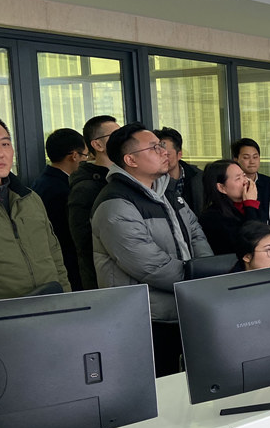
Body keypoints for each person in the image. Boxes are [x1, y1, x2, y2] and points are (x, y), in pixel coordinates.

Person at [90, 122, 212, 375]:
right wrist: (196, 278)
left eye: (162, 146)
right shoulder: (115, 203)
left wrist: (205, 269)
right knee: (161, 387)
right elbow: (149, 265)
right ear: (130, 160)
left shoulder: (165, 192)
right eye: (154, 147)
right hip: (145, 317)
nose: (164, 152)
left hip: (181, 306)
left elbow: (195, 232)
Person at [0, 111, 71, 298]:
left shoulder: (29, 197)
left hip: (50, 306)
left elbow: (54, 255)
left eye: (5, 144)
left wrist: (66, 300)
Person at [32, 127, 87, 290]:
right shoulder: (61, 189)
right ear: (74, 156)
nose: (86, 160)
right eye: (85, 155)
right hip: (65, 265)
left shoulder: (43, 181)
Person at [69, 114, 119, 289]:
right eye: (115, 136)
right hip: (103, 281)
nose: (122, 140)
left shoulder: (122, 178)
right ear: (97, 145)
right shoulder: (85, 187)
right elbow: (84, 244)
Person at [198, 159, 264, 254]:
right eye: (238, 178)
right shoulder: (212, 217)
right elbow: (252, 244)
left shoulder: (246, 205)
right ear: (221, 187)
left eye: (244, 175)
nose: (245, 181)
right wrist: (250, 205)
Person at [231, 137, 270, 233]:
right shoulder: (232, 185)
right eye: (246, 157)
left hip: (268, 235)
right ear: (236, 159)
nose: (252, 161)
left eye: (255, 157)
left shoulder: (269, 183)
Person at [156, 126, 204, 217]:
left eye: (167, 154)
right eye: (158, 154)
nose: (162, 158)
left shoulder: (199, 178)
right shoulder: (151, 180)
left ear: (179, 155)